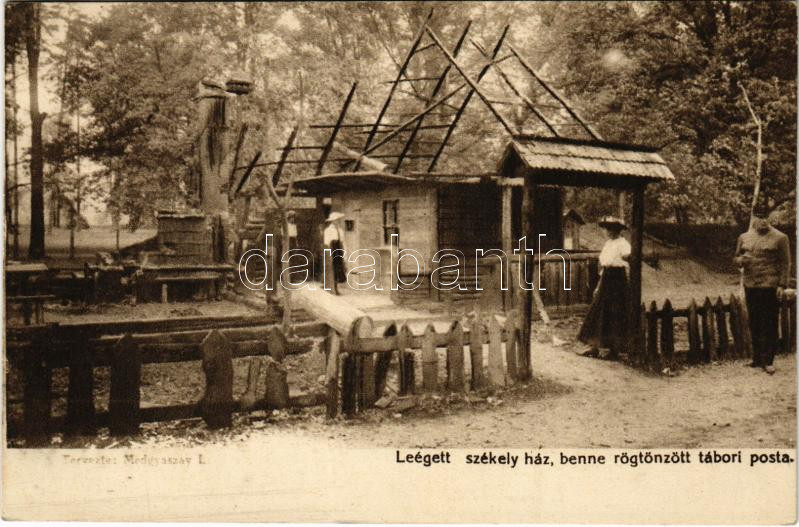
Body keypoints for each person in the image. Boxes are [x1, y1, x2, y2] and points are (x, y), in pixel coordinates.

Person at [734, 208, 791, 374]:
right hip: (751, 285)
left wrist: (782, 285)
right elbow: (736, 258)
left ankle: (768, 361)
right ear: (753, 219)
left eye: (766, 217)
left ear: (770, 217)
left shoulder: (780, 238)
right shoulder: (744, 237)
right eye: (759, 217)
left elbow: (785, 263)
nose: (763, 220)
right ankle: (757, 358)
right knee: (755, 321)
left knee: (770, 322)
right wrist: (740, 261)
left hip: (769, 286)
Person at [577, 216, 631, 359]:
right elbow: (605, 264)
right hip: (607, 277)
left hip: (617, 279)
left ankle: (614, 350)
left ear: (618, 230)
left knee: (614, 312)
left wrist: (626, 262)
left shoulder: (623, 244)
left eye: (612, 229)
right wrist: (599, 283)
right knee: (598, 309)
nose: (608, 231)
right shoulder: (608, 243)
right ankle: (594, 346)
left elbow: (628, 259)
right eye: (607, 228)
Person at [323, 211, 347, 294]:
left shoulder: (340, 230)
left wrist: (344, 252)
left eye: (338, 220)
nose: (338, 221)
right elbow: (326, 243)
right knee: (332, 268)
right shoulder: (328, 230)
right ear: (333, 221)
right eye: (336, 220)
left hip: (339, 249)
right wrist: (328, 254)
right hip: (332, 249)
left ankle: (336, 287)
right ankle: (332, 288)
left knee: (339, 269)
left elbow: (343, 242)